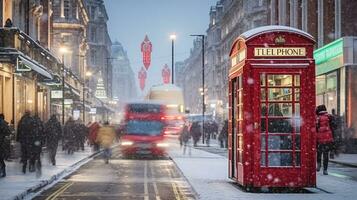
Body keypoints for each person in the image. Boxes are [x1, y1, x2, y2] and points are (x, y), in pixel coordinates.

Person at [316, 105, 334, 175]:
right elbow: (333, 127)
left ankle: (318, 164)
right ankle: (325, 170)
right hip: (328, 138)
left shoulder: (317, 118)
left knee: (319, 152)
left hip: (320, 138)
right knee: (326, 154)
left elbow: (316, 128)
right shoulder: (329, 117)